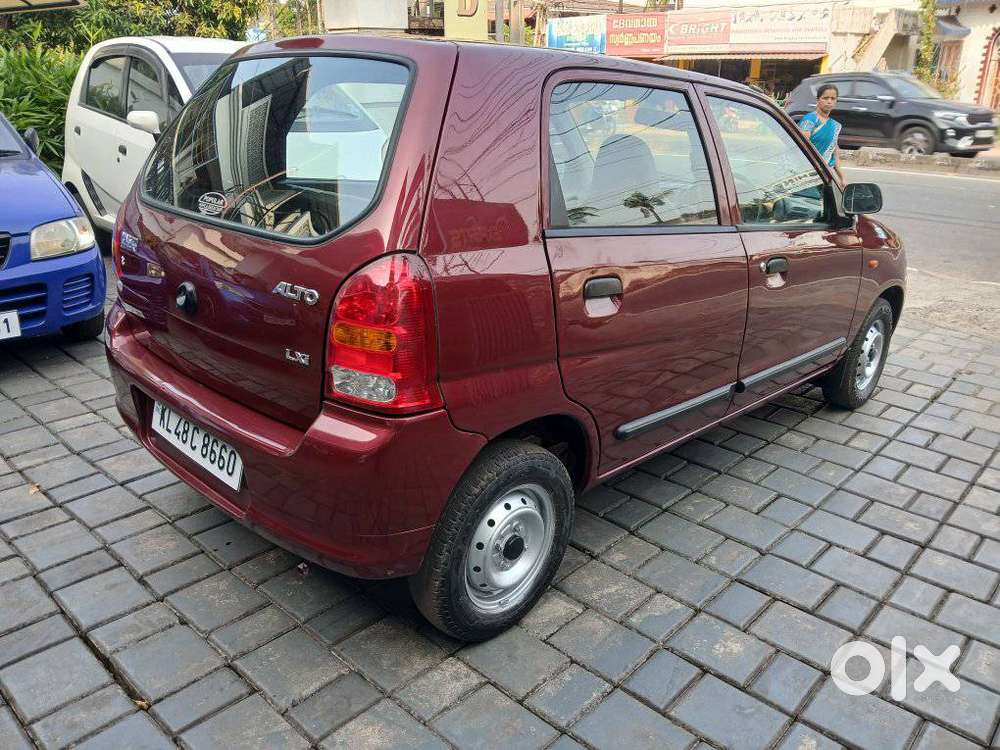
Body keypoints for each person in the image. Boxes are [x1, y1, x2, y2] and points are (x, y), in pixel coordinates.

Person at [798, 83, 845, 186]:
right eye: (825, 98)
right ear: (818, 100)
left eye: (833, 98)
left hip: (825, 175)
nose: (829, 101)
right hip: (808, 175)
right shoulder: (810, 120)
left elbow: (834, 154)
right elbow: (803, 148)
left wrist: (842, 179)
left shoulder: (835, 125)